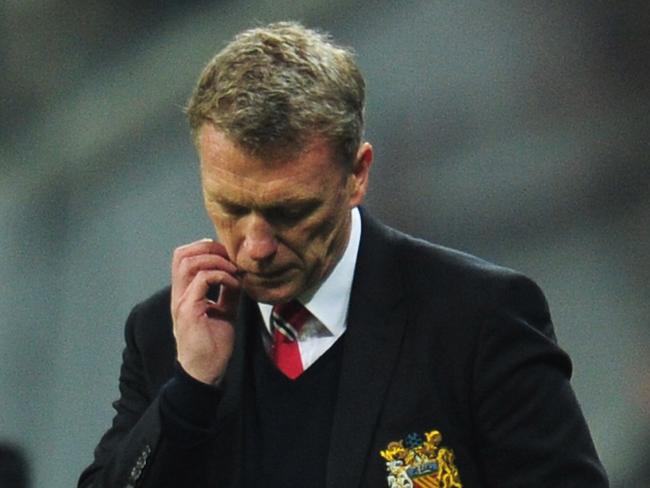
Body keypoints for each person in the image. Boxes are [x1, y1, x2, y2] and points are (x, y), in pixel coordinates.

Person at [78, 22, 608, 488]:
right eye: (231, 207)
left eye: (290, 212)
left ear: (357, 174)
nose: (256, 246)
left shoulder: (477, 320)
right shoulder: (163, 335)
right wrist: (189, 391)